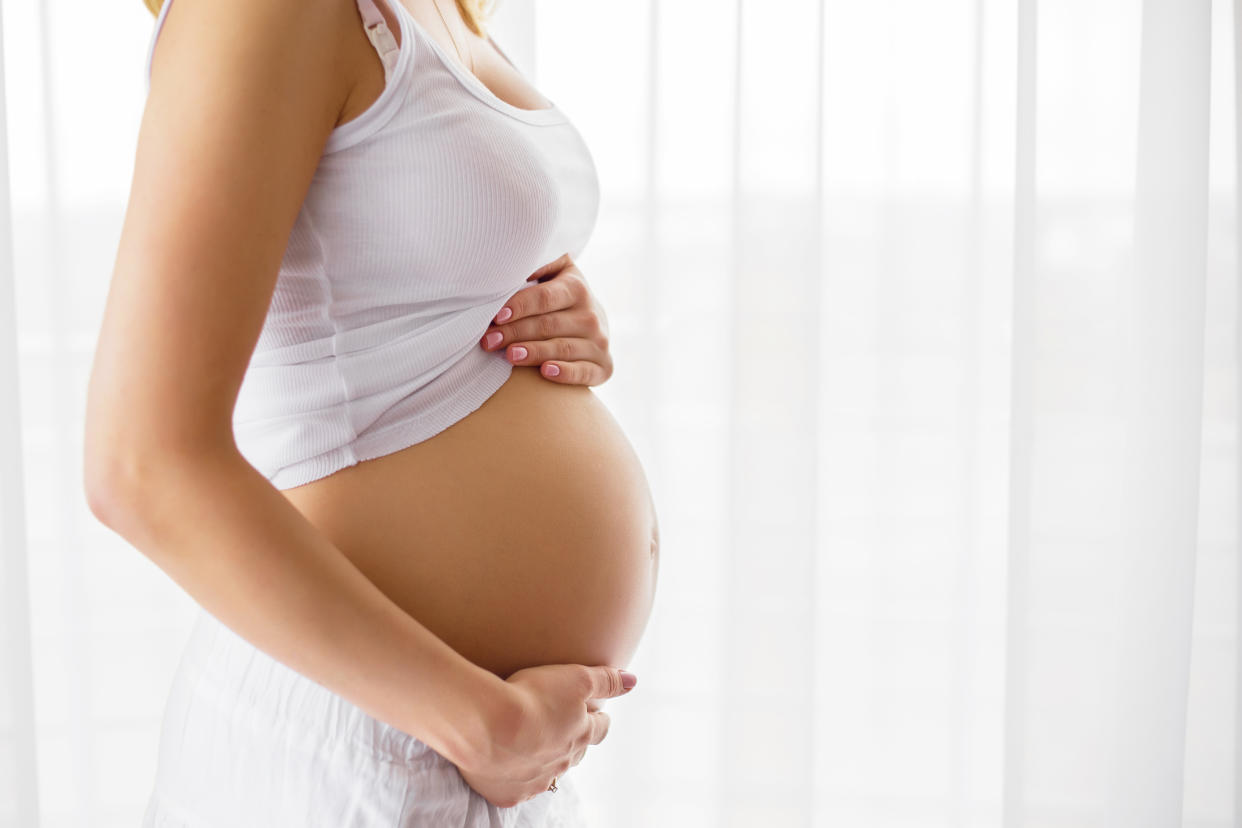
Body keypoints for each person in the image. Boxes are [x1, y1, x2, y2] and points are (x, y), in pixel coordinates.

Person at [83, 0, 660, 822]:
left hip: (468, 739)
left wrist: (560, 309)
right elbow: (141, 466)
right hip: (371, 732)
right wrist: (482, 723)